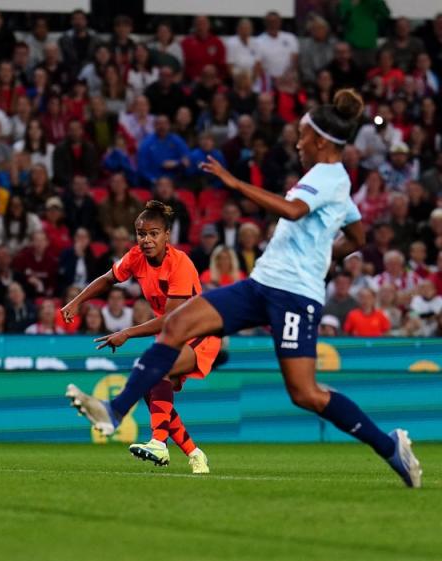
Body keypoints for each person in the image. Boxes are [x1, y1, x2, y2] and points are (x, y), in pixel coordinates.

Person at [67, 89, 422, 487]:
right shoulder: (333, 180)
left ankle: (389, 447)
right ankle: (114, 411)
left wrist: (233, 183)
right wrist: (326, 254)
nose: (298, 142)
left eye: (303, 135)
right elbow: (356, 236)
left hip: (294, 296)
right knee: (176, 325)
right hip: (262, 283)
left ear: (321, 141)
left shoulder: (326, 176)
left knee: (305, 393)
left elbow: (291, 210)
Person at [63, 201, 218, 472]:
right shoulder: (136, 256)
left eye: (153, 233)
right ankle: (194, 453)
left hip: (200, 332)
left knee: (155, 371)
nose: (146, 240)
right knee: (152, 386)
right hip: (176, 333)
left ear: (167, 235)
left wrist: (127, 333)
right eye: (141, 234)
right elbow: (107, 278)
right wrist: (77, 301)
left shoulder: (180, 264)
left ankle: (158, 443)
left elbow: (171, 318)